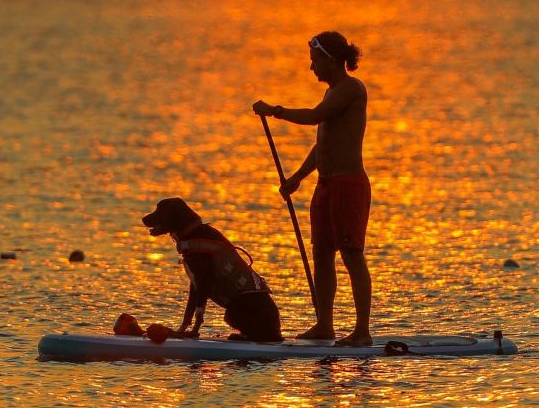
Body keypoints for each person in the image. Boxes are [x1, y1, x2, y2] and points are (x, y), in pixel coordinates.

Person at [253, 31, 372, 346]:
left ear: (329, 59)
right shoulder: (331, 92)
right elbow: (323, 144)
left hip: (348, 185)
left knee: (351, 255)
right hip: (326, 185)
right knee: (321, 254)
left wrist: (275, 111)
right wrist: (297, 178)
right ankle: (324, 326)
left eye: (314, 60)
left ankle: (362, 332)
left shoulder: (352, 89)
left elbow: (315, 117)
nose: (311, 68)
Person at [141, 196, 283, 342]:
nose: (151, 218)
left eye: (160, 214)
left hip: (259, 319)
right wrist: (185, 325)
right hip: (263, 319)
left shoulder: (199, 243)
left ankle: (252, 336)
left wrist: (196, 327)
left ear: (174, 219)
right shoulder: (199, 238)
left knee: (232, 316)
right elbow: (198, 285)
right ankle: (250, 334)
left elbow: (203, 285)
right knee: (231, 310)